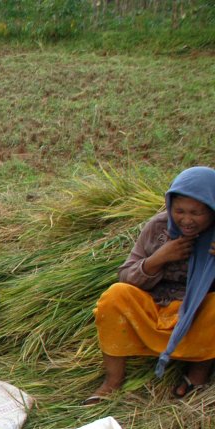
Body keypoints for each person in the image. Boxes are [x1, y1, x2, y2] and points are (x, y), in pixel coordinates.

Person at [89, 166, 215, 402]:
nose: (186, 220)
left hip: (195, 312)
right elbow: (126, 275)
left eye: (196, 213)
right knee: (115, 296)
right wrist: (158, 259)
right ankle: (113, 380)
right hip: (153, 307)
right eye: (179, 211)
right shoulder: (158, 228)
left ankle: (197, 375)